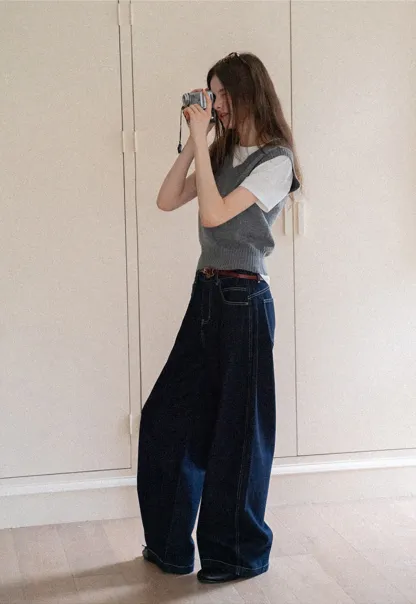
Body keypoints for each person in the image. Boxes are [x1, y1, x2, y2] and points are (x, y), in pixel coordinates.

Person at [137, 51, 302, 584]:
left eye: (224, 94)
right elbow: (167, 199)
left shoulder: (277, 161)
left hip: (244, 299)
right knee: (167, 418)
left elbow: (213, 213)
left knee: (239, 432)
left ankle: (234, 555)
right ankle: (168, 546)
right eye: (212, 94)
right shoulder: (221, 151)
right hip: (207, 295)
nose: (217, 104)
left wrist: (204, 143)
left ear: (250, 93)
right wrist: (196, 143)